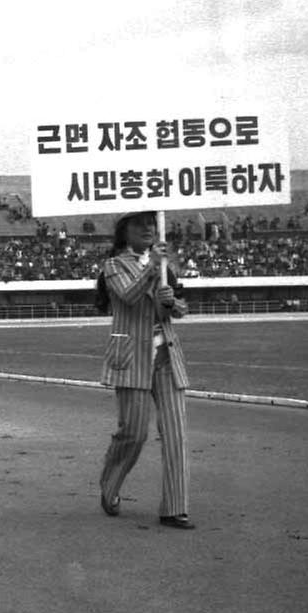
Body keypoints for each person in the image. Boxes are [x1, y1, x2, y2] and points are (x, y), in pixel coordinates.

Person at [98, 211, 194, 530]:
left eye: (152, 223)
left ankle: (174, 508)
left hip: (166, 355)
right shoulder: (113, 265)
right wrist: (153, 266)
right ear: (124, 230)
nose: (148, 228)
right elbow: (127, 295)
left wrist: (171, 303)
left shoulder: (164, 264)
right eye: (140, 223)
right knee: (134, 434)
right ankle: (110, 486)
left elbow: (179, 309)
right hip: (131, 357)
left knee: (176, 434)